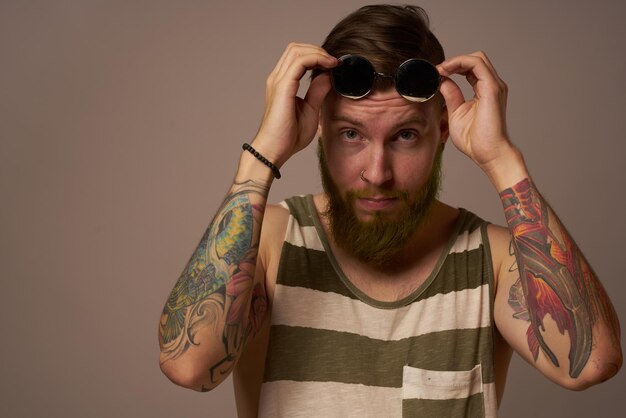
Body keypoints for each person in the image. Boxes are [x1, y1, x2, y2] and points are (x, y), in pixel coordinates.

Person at [158, 4, 622, 417]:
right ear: (318, 127)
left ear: (442, 131)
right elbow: (188, 366)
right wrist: (263, 154)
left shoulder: (494, 261)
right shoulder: (270, 244)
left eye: (404, 136)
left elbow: (592, 363)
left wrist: (501, 159)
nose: (376, 173)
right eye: (351, 134)